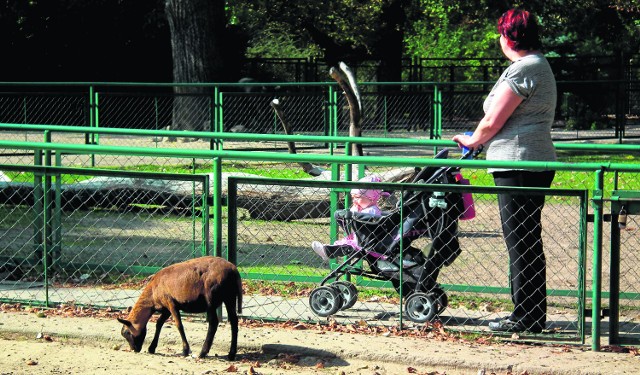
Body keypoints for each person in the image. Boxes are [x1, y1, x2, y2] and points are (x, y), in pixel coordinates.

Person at [453, 8, 557, 334]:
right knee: (527, 241)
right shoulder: (536, 66)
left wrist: (471, 142)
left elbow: (493, 120)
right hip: (528, 162)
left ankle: (525, 317)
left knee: (521, 241)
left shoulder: (525, 69)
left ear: (510, 37)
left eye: (501, 33)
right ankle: (530, 315)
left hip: (518, 162)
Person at [311, 175, 387, 262]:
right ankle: (326, 251)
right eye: (353, 197)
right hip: (358, 240)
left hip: (368, 244)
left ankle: (328, 252)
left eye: (357, 197)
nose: (354, 200)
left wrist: (353, 213)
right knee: (345, 241)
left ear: (371, 198)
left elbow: (362, 221)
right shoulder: (362, 208)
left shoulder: (372, 211)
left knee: (348, 246)